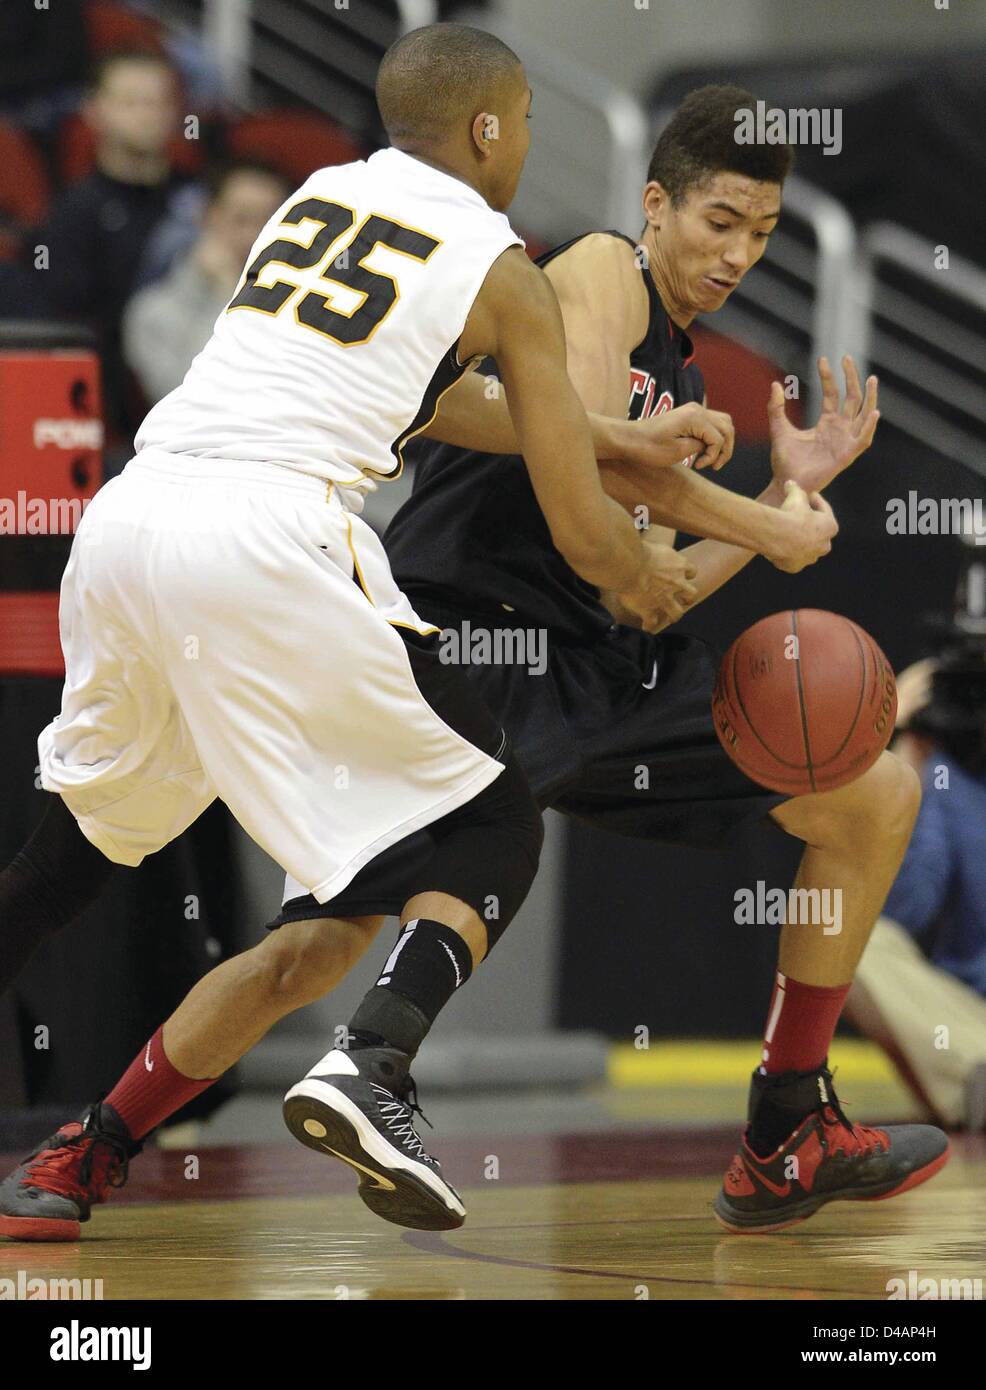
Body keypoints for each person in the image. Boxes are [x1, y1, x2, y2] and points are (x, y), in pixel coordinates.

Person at [0, 24, 798, 1243]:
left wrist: (629, 441)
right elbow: (592, 545)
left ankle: (98, 1147)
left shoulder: (321, 194)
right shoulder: (506, 265)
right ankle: (369, 1069)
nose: (530, 143)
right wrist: (684, 559)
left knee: (72, 855)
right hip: (270, 538)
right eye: (527, 118)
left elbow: (428, 395)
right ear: (489, 129)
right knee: (488, 819)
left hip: (132, 517)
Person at [274, 84, 950, 1234]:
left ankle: (784, 1118)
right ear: (653, 204)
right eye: (719, 222)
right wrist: (772, 528)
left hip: (587, 663)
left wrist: (793, 494)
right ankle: (172, 1115)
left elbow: (656, 587)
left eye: (761, 234)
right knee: (311, 944)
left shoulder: (680, 378)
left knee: (870, 792)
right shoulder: (594, 269)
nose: (737, 253)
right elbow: (592, 472)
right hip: (464, 622)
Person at [846, 645, 986, 1130]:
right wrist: (904, 759)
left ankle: (965, 1083)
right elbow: (901, 908)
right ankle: (970, 1076)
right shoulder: (951, 784)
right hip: (973, 1023)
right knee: (850, 940)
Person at [34, 49, 191, 436]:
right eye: (130, 101)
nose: (146, 113)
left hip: (200, 386)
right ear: (94, 110)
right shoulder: (73, 213)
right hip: (117, 417)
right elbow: (67, 329)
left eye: (157, 101)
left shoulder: (200, 202)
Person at [123, 160, 292, 404]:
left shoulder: (302, 305)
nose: (253, 237)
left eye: (268, 222)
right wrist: (229, 295)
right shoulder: (150, 312)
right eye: (241, 219)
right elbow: (189, 399)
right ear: (208, 216)